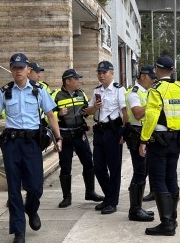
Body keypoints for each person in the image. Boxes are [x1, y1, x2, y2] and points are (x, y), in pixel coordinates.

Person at [0, 53, 62, 243]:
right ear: (11, 70)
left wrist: (58, 138)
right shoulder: (5, 91)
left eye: (21, 67)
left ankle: (31, 208)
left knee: (36, 186)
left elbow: (51, 115)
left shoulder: (38, 91)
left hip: (32, 144)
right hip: (12, 144)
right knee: (13, 189)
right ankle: (18, 231)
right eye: (15, 67)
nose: (18, 71)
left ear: (28, 69)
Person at [139, 56, 180, 236]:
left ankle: (166, 223)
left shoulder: (157, 89)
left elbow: (151, 116)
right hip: (177, 139)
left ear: (157, 70)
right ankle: (173, 219)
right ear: (172, 70)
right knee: (171, 177)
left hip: (159, 140)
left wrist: (143, 140)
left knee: (158, 179)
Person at [52, 68, 103, 208]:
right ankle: (67, 197)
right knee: (65, 166)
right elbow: (48, 116)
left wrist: (93, 109)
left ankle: (90, 192)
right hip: (65, 135)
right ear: (68, 81)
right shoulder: (56, 95)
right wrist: (59, 114)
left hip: (80, 134)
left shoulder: (81, 94)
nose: (79, 82)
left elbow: (87, 113)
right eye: (76, 79)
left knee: (89, 163)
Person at [89, 59, 126, 214]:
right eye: (99, 72)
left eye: (104, 73)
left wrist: (124, 132)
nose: (101, 75)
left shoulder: (119, 90)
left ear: (112, 74)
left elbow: (125, 113)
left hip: (114, 131)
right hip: (99, 131)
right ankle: (108, 196)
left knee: (114, 167)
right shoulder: (97, 91)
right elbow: (89, 112)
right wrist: (94, 108)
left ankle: (112, 202)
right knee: (98, 167)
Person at [123, 66, 158, 222]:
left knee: (143, 171)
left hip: (145, 134)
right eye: (151, 78)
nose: (153, 81)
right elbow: (137, 114)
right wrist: (152, 104)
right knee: (139, 171)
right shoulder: (134, 93)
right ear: (143, 76)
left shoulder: (146, 92)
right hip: (136, 134)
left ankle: (137, 207)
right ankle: (134, 210)